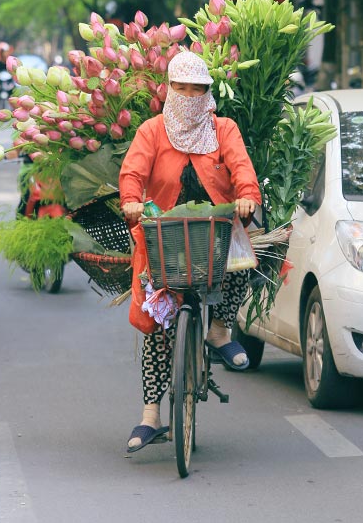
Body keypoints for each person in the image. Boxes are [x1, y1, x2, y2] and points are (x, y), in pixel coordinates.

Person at [119, 50, 261, 453]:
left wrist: (247, 196)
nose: (188, 95)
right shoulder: (152, 131)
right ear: (169, 90)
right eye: (180, 88)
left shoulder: (224, 128)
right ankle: (151, 416)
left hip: (215, 229)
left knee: (243, 261)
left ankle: (219, 330)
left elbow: (242, 168)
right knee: (158, 322)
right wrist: (131, 199)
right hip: (165, 234)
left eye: (197, 89)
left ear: (207, 93)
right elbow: (133, 172)